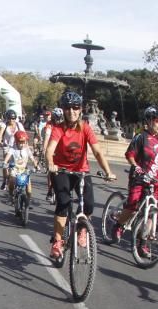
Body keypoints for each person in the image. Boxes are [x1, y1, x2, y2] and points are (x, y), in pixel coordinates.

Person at [46, 91, 116, 261]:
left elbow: (97, 151)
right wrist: (50, 164)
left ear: (81, 109)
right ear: (63, 110)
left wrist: (108, 171)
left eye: (75, 107)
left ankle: (82, 228)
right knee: (63, 203)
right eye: (68, 108)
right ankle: (57, 241)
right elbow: (50, 150)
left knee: (89, 204)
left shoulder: (85, 127)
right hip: (61, 171)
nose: (72, 111)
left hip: (81, 171)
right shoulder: (58, 128)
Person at [108, 106, 158, 251]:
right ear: (149, 121)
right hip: (139, 178)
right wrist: (136, 166)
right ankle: (118, 225)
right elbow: (129, 154)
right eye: (157, 121)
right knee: (132, 206)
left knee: (151, 211)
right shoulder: (140, 137)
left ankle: (142, 243)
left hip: (153, 180)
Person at [5, 130, 37, 202]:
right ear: (16, 141)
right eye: (20, 142)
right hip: (14, 169)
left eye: (24, 142)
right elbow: (8, 156)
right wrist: (5, 162)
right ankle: (10, 195)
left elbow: (32, 158)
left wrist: (36, 165)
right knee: (12, 181)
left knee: (28, 186)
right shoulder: (13, 149)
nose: (22, 144)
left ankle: (28, 201)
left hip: (24, 169)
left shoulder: (27, 149)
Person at [0, 110, 24, 191]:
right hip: (7, 147)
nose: (11, 120)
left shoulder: (19, 125)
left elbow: (24, 134)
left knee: (18, 164)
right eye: (10, 118)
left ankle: (17, 180)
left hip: (17, 147)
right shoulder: (4, 125)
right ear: (7, 118)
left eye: (13, 118)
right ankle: (4, 180)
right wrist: (0, 141)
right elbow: (0, 135)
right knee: (5, 164)